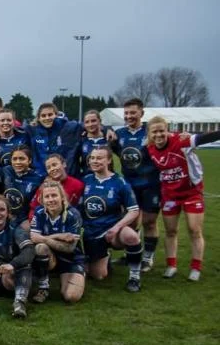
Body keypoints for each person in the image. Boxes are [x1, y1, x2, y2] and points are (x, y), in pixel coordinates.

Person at [146, 116, 220, 281]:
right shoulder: (149, 147)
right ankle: (171, 266)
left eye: (162, 131)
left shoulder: (181, 141)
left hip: (191, 193)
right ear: (149, 134)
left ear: (167, 130)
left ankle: (196, 267)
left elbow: (204, 138)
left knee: (194, 230)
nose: (158, 135)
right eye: (154, 132)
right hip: (169, 195)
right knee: (171, 231)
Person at [81, 146, 142, 292]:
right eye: (92, 158)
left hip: (112, 231)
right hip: (92, 233)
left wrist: (116, 228)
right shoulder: (85, 180)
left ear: (109, 160)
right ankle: (104, 257)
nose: (95, 161)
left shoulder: (120, 182)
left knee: (131, 237)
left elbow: (134, 210)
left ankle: (134, 277)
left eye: (99, 158)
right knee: (98, 276)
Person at [110, 98, 160, 271]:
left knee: (149, 222)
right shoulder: (120, 134)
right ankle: (131, 253)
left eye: (133, 112)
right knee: (130, 222)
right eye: (126, 113)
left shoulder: (150, 132)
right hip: (129, 185)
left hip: (150, 184)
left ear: (141, 113)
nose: (129, 116)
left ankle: (148, 258)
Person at [29, 180, 85, 304]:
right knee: (40, 248)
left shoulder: (73, 215)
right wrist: (59, 236)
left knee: (71, 297)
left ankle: (74, 274)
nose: (51, 200)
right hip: (50, 256)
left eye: (54, 195)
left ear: (62, 197)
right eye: (47, 196)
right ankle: (43, 287)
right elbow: (33, 238)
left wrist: (44, 238)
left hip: (71, 259)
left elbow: (69, 248)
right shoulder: (39, 212)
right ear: (42, 200)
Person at [2, 146, 43, 229]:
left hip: (24, 220)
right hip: (3, 215)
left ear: (29, 160)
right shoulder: (5, 171)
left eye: (22, 159)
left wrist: (29, 219)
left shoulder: (38, 179)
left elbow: (37, 204)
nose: (18, 162)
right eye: (15, 159)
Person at [77, 110, 108, 176]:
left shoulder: (109, 138)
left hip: (106, 178)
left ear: (100, 121)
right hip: (87, 178)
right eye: (87, 122)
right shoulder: (81, 140)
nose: (90, 124)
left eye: (93, 121)